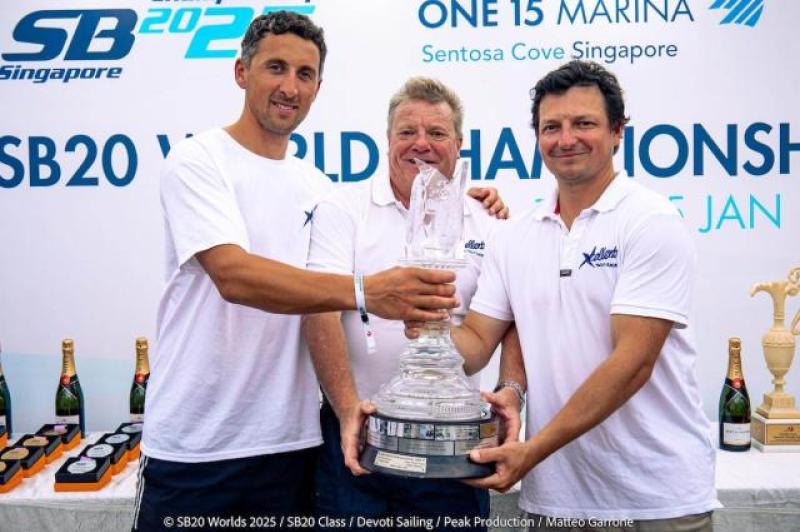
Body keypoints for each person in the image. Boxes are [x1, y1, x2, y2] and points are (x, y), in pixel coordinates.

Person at [134, 13, 461, 531]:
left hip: (291, 445)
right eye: (276, 68)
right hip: (196, 446)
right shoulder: (197, 160)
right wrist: (364, 292)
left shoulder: (318, 187)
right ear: (242, 72)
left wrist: (471, 201)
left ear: (317, 88)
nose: (290, 87)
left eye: (305, 74)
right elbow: (234, 276)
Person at [410, 60, 719, 530]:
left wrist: (532, 450)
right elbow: (475, 345)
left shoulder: (650, 221)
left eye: (584, 123)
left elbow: (632, 363)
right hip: (555, 502)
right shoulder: (514, 236)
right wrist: (426, 324)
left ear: (618, 131)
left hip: (655, 501)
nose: (565, 138)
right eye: (551, 126)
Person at [303, 77, 523, 530]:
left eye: (436, 133)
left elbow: (514, 319)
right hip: (356, 437)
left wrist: (511, 391)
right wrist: (347, 410)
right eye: (407, 132)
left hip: (452, 447)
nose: (420, 144)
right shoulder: (342, 209)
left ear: (460, 144)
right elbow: (319, 309)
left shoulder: (491, 222)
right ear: (387, 141)